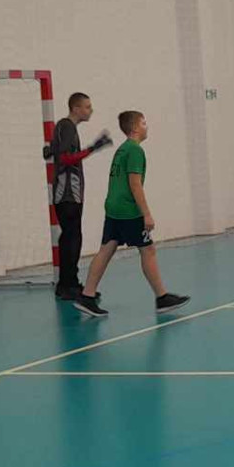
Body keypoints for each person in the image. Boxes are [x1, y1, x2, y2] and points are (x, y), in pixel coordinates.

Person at [71, 111, 188, 318]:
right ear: (134, 128)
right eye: (144, 123)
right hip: (128, 210)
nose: (146, 126)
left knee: (106, 249)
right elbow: (135, 184)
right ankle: (162, 297)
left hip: (113, 207)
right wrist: (146, 214)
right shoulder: (135, 150)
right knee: (148, 250)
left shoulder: (122, 149)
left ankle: (87, 296)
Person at [47, 92, 112, 300]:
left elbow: (56, 153)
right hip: (68, 193)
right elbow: (66, 158)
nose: (90, 110)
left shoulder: (64, 127)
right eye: (87, 106)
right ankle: (68, 285)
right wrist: (94, 148)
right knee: (72, 238)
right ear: (76, 108)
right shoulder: (67, 126)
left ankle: (68, 283)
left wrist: (51, 150)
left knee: (70, 237)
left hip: (68, 193)